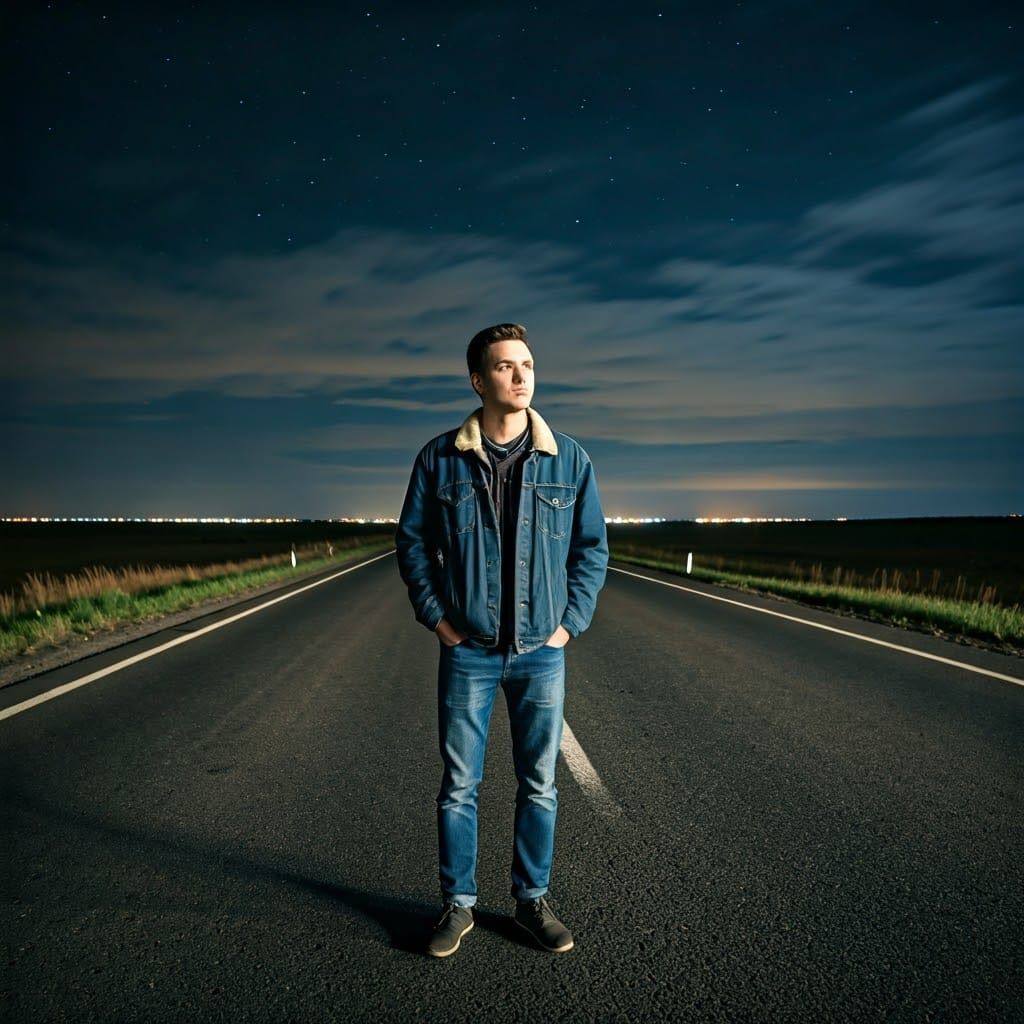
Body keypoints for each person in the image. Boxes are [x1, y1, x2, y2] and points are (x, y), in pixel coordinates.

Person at [395, 322, 608, 958]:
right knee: (460, 785)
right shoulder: (440, 458)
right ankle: (457, 906)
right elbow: (412, 543)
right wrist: (438, 618)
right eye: (507, 367)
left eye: (529, 364)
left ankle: (530, 902)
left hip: (542, 654)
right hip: (470, 654)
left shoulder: (569, 459)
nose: (522, 376)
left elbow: (591, 549)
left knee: (539, 783)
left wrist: (570, 623)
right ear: (478, 380)